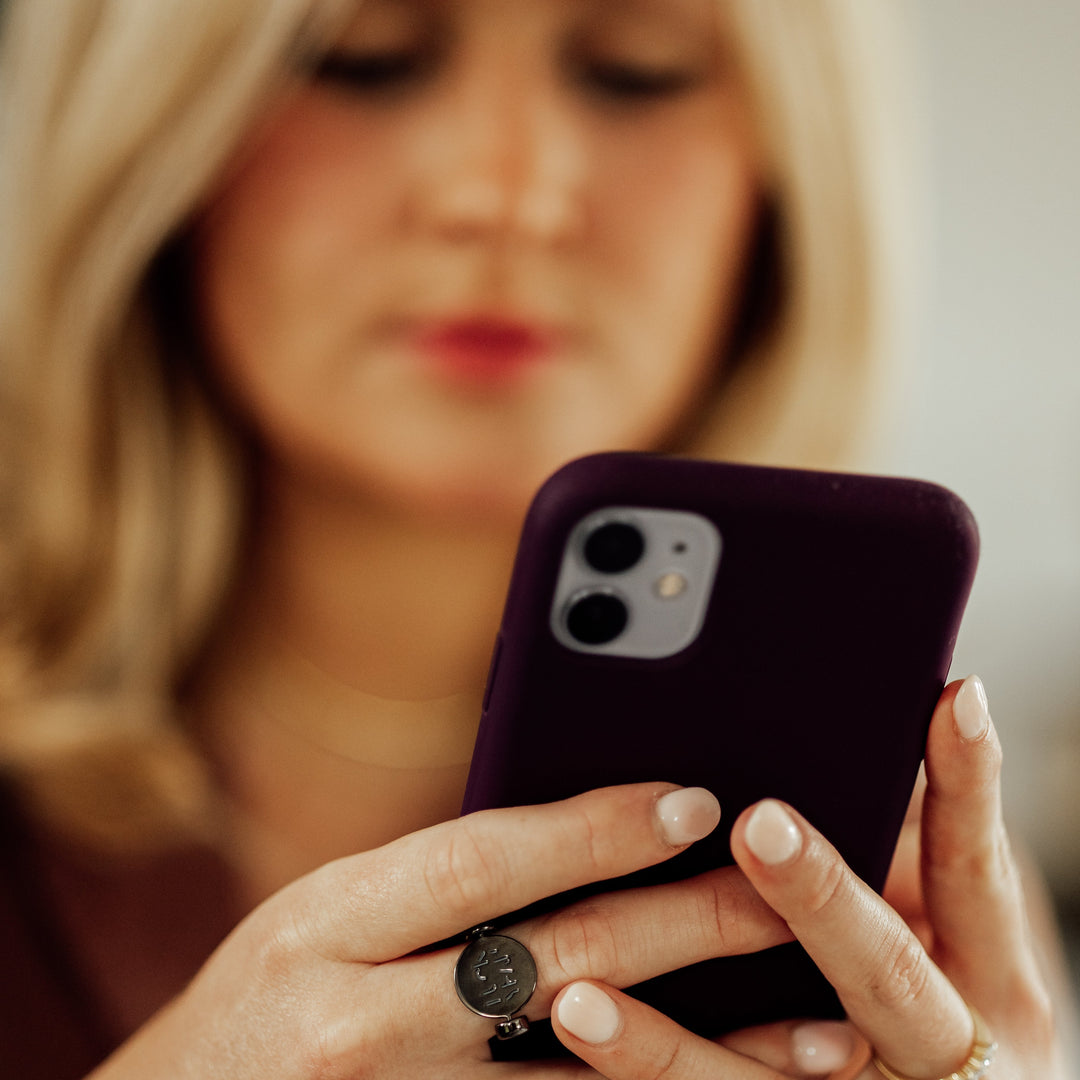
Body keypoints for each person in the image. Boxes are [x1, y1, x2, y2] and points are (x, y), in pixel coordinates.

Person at [0, 1, 1072, 1077]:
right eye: (362, 63)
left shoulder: (894, 886)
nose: (507, 194)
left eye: (635, 75)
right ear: (146, 132)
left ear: (788, 171)